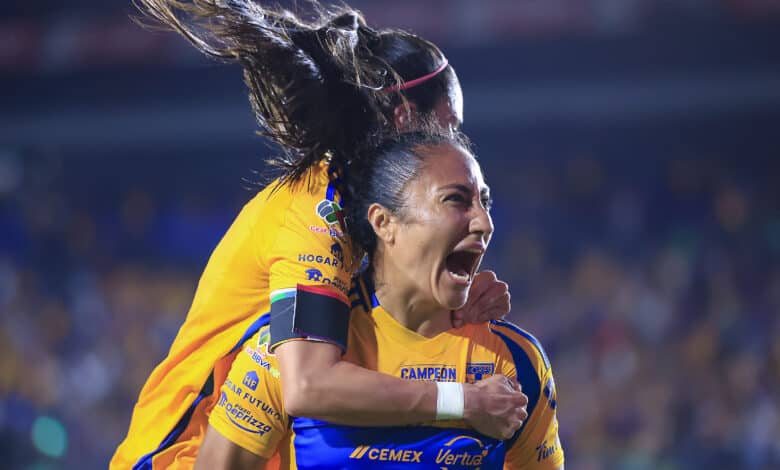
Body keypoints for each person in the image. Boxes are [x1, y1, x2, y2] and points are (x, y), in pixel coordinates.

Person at [111, 1, 524, 469]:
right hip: (183, 455)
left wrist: (447, 304)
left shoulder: (360, 200)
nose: (456, 147)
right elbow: (308, 384)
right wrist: (464, 402)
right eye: (447, 127)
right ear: (406, 118)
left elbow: (372, 320)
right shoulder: (320, 211)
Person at [197, 129, 564, 469]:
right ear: (384, 222)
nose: (484, 222)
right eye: (456, 200)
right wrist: (464, 403)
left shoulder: (516, 361)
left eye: (484, 202)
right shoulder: (287, 355)